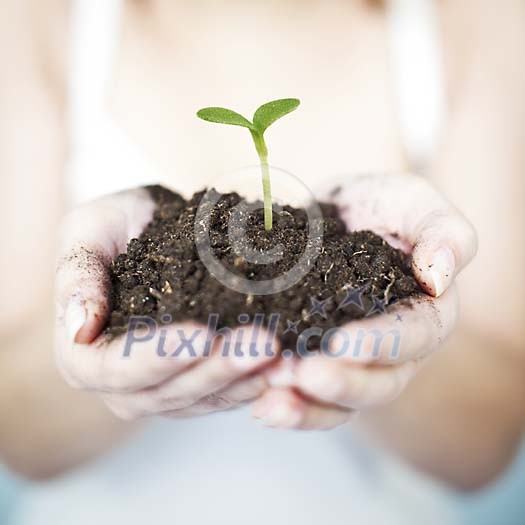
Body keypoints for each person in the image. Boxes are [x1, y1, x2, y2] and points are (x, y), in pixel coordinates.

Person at [1, 0, 523, 523]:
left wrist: (393, 349)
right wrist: (94, 358)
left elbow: (484, 445)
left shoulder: (478, 20)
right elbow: (17, 431)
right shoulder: (37, 18)